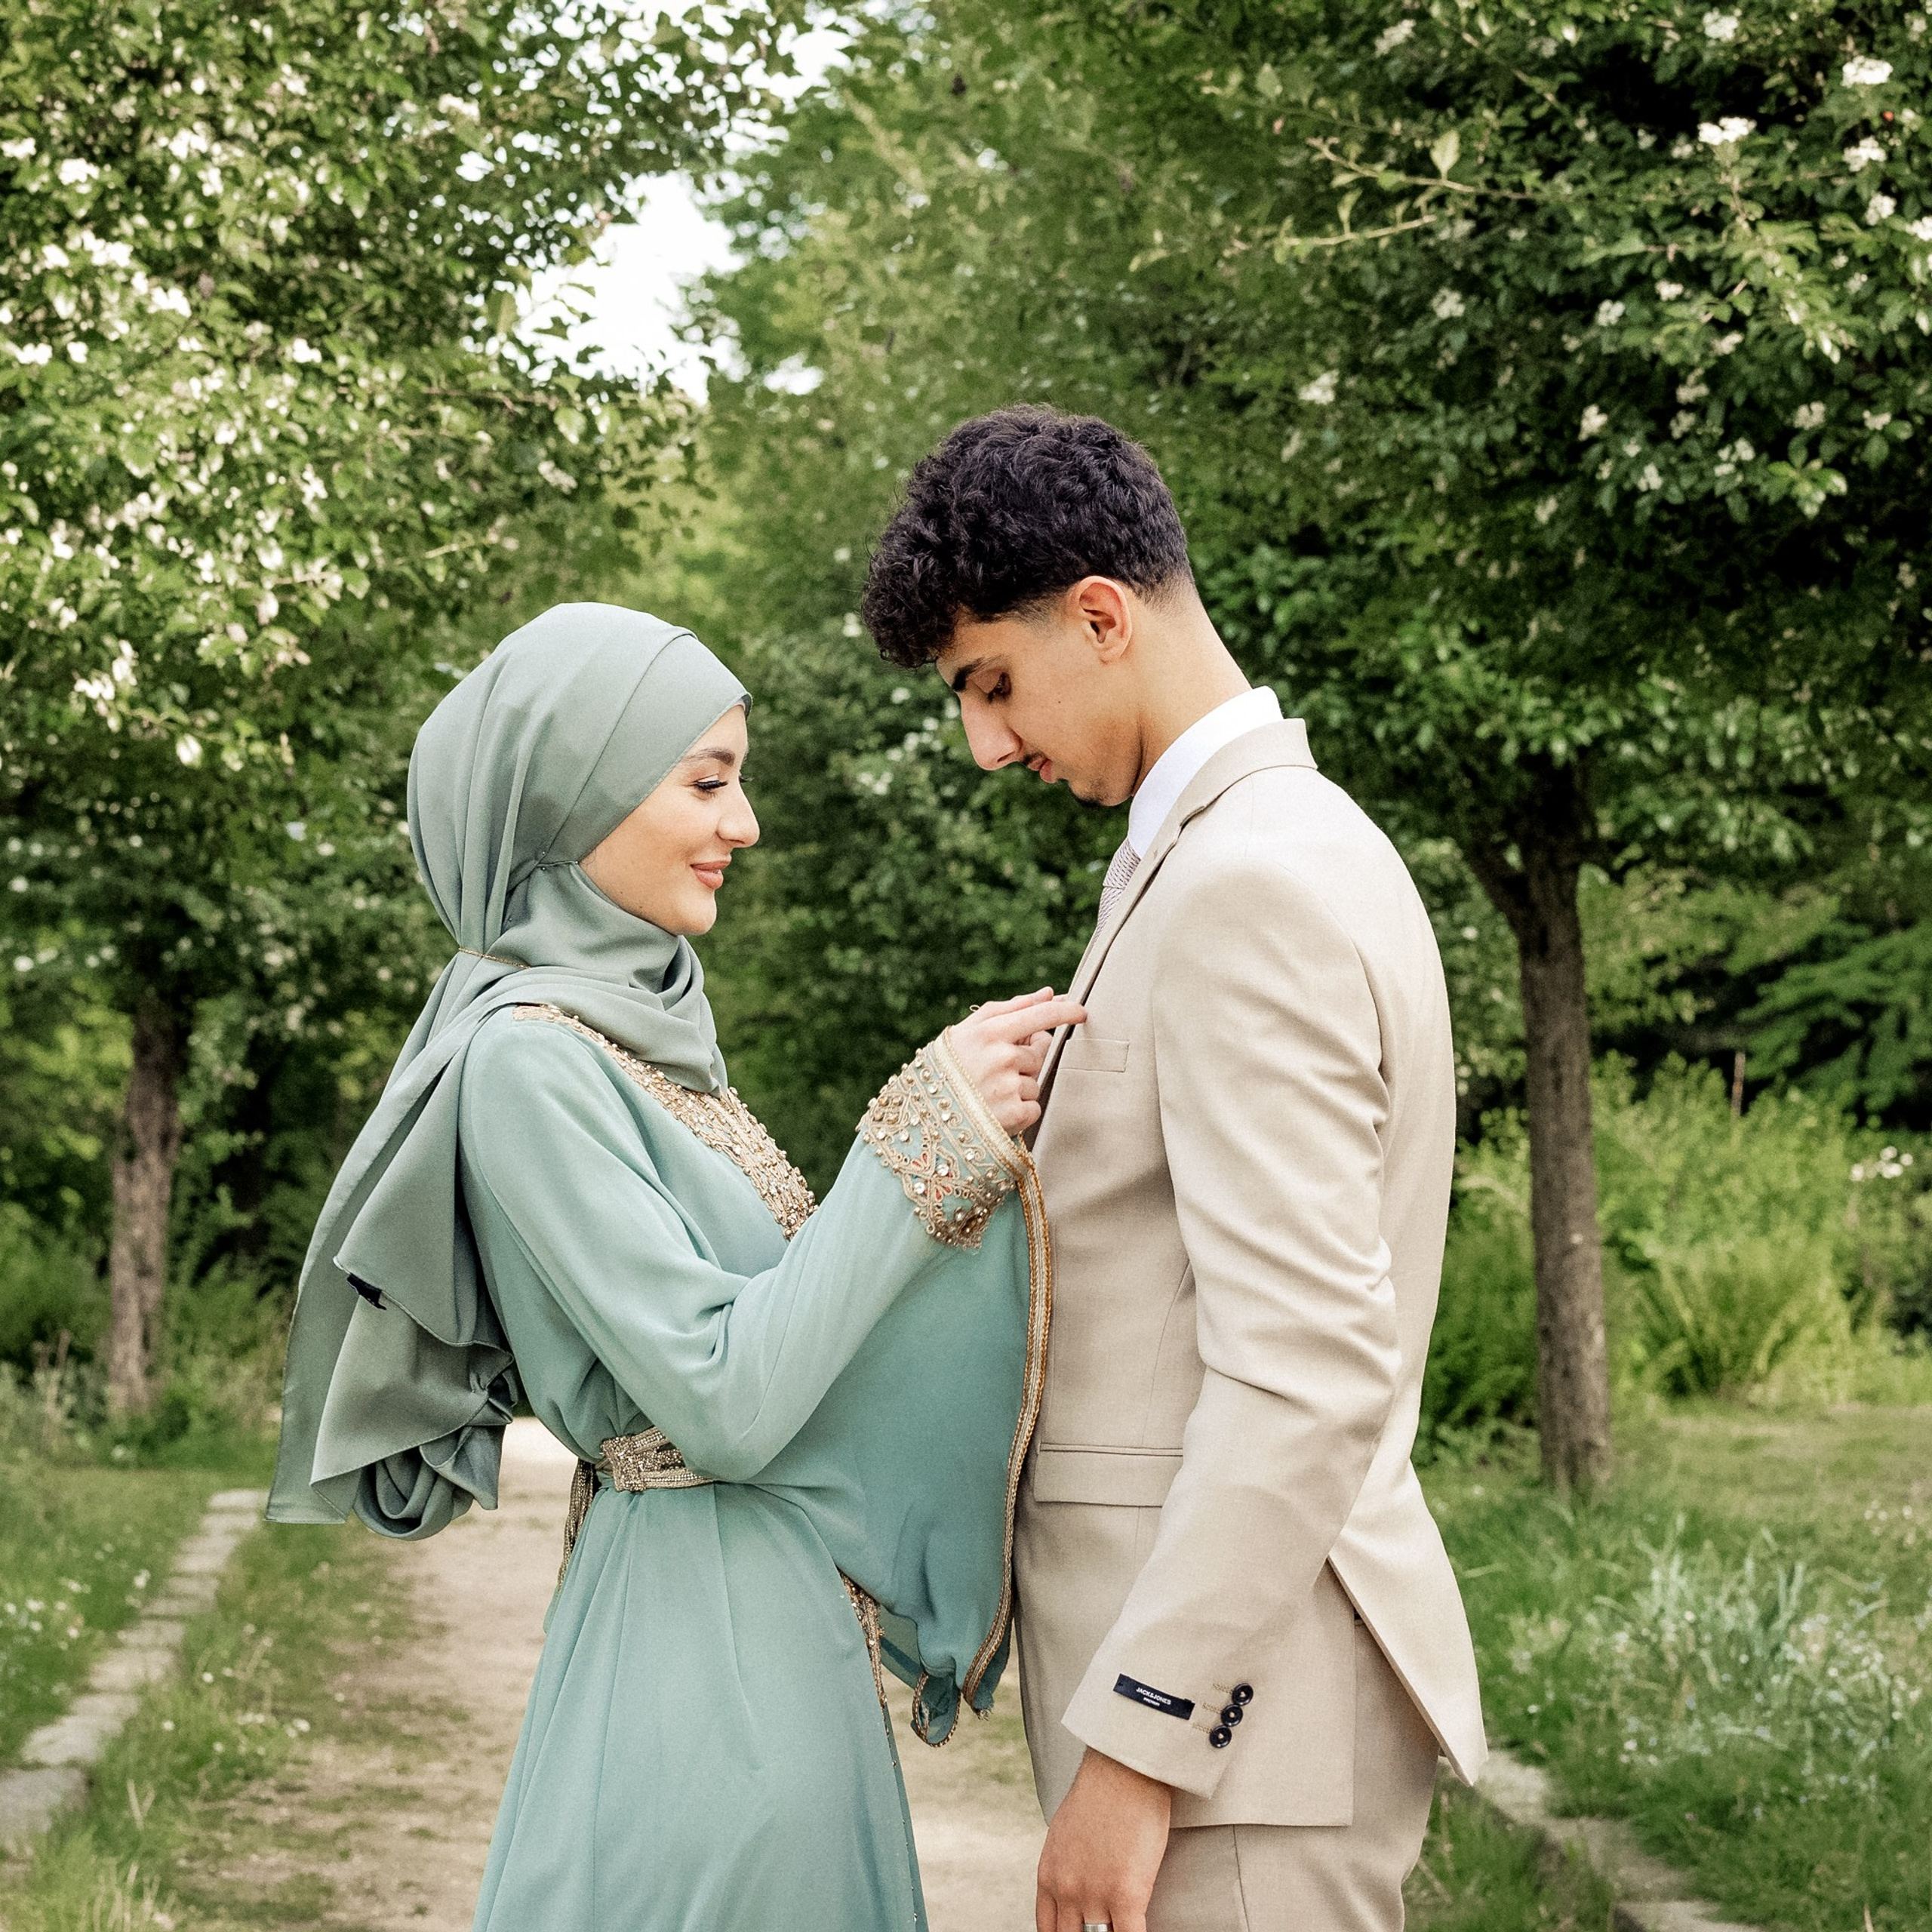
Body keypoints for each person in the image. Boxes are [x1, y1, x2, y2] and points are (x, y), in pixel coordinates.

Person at [267, 602, 1078, 1931]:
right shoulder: (528, 1063)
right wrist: (920, 1139)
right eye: (706, 780)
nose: (742, 822)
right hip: (703, 1660)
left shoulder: (636, 1046)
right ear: (572, 798)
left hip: (763, 1627)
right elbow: (725, 1395)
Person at [860, 408, 1487, 1932]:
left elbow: (1304, 1365)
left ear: (1097, 614)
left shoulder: (1248, 882)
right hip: (1231, 1723)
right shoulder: (1226, 850)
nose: (985, 742)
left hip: (1227, 1749)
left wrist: (1135, 1747)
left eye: (990, 685)